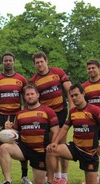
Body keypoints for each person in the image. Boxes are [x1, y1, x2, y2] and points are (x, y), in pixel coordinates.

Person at [0, 84, 59, 184]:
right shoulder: (20, 114)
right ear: (24, 97)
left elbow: (56, 131)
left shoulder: (48, 111)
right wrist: (8, 130)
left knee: (39, 181)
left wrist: (53, 144)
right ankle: (8, 181)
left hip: (40, 151)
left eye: (32, 94)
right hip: (24, 148)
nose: (30, 96)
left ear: (38, 95)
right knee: (4, 148)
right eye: (27, 94)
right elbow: (16, 131)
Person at [30, 51, 73, 184]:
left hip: (61, 112)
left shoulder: (58, 72)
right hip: (47, 117)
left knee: (62, 144)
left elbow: (69, 89)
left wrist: (71, 106)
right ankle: (56, 175)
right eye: (37, 63)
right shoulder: (34, 80)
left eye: (41, 61)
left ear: (46, 61)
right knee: (51, 146)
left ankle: (64, 176)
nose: (40, 64)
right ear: (34, 65)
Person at [46, 84, 100, 184]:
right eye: (72, 96)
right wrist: (55, 142)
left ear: (83, 94)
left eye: (76, 95)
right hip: (75, 148)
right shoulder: (72, 112)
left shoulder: (94, 110)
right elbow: (65, 128)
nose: (74, 98)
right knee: (51, 150)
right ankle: (50, 181)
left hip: (90, 153)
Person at [0, 52, 32, 184]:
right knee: (2, 146)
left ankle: (24, 176)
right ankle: (7, 178)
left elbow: (26, 98)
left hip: (18, 116)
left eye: (10, 60)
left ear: (14, 62)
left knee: (22, 143)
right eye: (5, 60)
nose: (8, 62)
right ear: (2, 62)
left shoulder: (21, 79)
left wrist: (26, 113)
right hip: (1, 116)